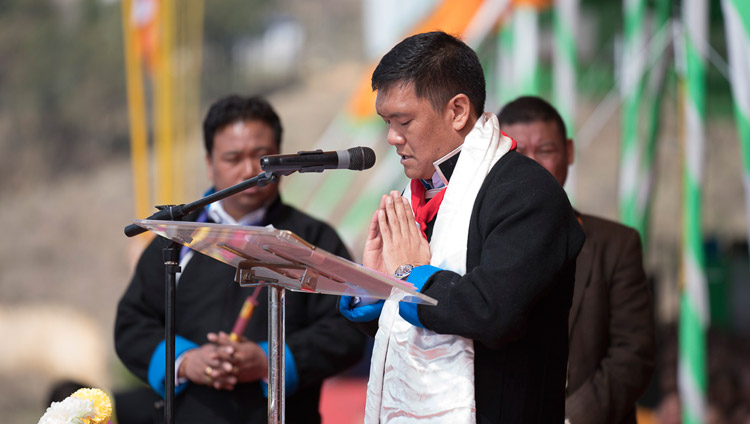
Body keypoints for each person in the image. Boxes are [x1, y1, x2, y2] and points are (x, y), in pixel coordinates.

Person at [339, 31, 585, 423]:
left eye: (403, 121)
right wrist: (377, 286)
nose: (391, 138)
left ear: (457, 111)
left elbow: (493, 312)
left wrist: (410, 277)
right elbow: (420, 334)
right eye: (387, 122)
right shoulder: (416, 194)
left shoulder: (526, 193)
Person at [114, 95, 367, 424]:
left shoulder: (314, 238)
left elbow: (346, 331)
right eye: (233, 158)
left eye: (262, 157)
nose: (250, 169)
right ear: (210, 163)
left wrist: (269, 361)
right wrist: (185, 360)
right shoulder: (177, 238)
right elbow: (132, 324)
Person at [497, 95, 656, 424]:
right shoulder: (479, 245)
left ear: (568, 152)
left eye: (545, 150)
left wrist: (568, 418)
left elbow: (633, 355)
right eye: (517, 152)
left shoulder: (617, 245)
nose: (532, 166)